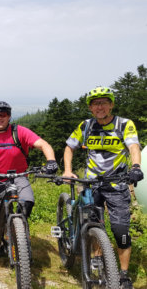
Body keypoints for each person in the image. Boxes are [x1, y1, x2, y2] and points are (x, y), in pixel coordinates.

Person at [63, 86, 143, 289]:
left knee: (121, 230)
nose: (99, 107)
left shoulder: (124, 124)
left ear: (111, 104)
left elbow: (134, 146)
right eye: (95, 103)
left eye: (104, 102)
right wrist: (67, 170)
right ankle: (97, 257)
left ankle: (123, 275)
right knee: (94, 224)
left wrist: (135, 167)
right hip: (91, 184)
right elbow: (69, 147)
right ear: (90, 108)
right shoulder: (86, 126)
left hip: (116, 185)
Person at [0, 101, 58, 256]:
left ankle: (16, 234)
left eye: (3, 115)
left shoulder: (19, 132)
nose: (0, 118)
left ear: (9, 116)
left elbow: (43, 144)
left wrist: (51, 161)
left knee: (27, 203)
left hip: (19, 177)